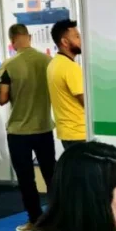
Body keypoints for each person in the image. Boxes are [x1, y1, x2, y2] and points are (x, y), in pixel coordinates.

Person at [0, 24, 56, 231]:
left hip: (19, 131)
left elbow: (2, 98)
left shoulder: (9, 65)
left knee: (26, 179)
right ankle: (58, 218)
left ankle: (35, 220)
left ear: (12, 40)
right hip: (44, 127)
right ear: (29, 37)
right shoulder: (48, 61)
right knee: (51, 175)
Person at [47, 19, 86, 149]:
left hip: (67, 132)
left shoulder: (54, 63)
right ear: (65, 42)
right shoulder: (70, 67)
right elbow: (86, 102)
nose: (81, 40)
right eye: (77, 37)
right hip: (79, 133)